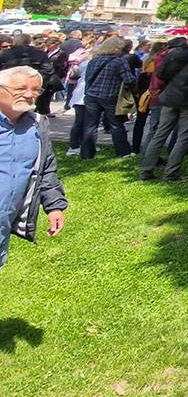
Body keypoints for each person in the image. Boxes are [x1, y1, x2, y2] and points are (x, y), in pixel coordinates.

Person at [0, 66, 67, 270]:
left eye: (36, 90)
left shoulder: (37, 125)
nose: (29, 95)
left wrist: (54, 205)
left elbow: (45, 168)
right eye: (20, 88)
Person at [139, 26, 188, 182]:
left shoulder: (174, 53)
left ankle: (146, 170)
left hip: (171, 98)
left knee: (160, 134)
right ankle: (171, 172)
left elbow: (161, 73)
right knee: (184, 137)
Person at [79, 36, 138, 160]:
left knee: (90, 125)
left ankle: (87, 153)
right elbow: (129, 79)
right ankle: (123, 152)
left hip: (91, 95)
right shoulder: (119, 61)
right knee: (116, 125)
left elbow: (87, 78)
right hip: (110, 96)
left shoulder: (94, 60)